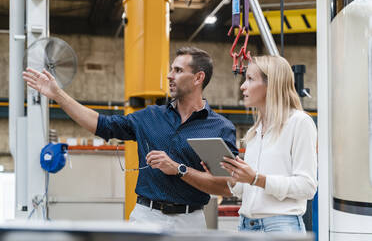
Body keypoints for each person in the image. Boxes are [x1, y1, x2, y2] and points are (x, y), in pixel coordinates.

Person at [23, 47, 238, 230]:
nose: (169, 75)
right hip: (147, 217)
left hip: (190, 222)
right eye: (171, 69)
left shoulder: (219, 128)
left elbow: (226, 187)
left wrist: (178, 168)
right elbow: (102, 125)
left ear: (198, 78)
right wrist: (58, 95)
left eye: (178, 70)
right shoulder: (149, 117)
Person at [221, 55, 317, 233]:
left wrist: (257, 179)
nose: (242, 86)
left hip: (280, 228)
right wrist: (234, 179)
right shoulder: (255, 132)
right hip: (246, 225)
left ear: (271, 84)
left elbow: (307, 187)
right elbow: (248, 190)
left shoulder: (299, 123)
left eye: (250, 79)